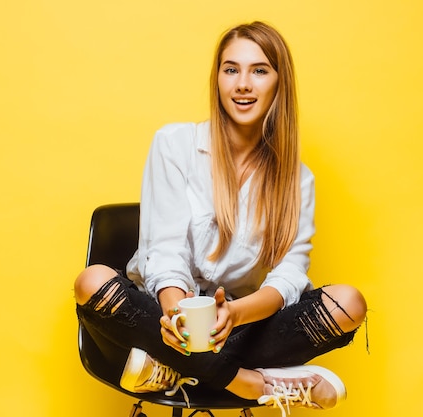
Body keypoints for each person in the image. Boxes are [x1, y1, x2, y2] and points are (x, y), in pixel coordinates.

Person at [74, 21, 367, 415]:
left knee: (348, 303)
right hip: (162, 318)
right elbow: (165, 252)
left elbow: (290, 276)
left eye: (259, 70)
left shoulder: (298, 180)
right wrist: (178, 319)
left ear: (280, 83)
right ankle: (251, 381)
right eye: (231, 69)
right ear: (217, 80)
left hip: (241, 326)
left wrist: (234, 315)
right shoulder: (174, 145)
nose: (243, 84)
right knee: (91, 281)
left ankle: (176, 368)